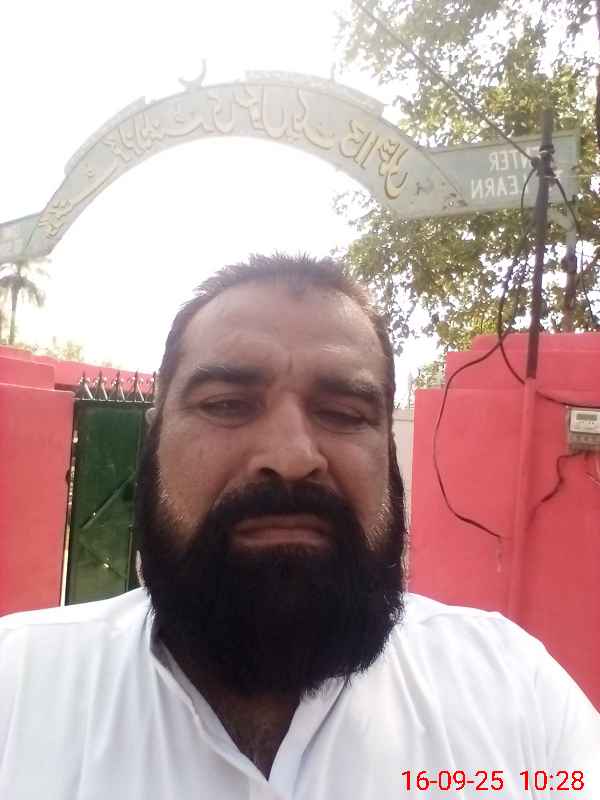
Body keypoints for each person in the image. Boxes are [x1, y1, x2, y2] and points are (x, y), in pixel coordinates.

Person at [1, 253, 598, 798]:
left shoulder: (515, 697)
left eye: (343, 413)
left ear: (389, 456)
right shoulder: (17, 688)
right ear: (155, 439)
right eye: (227, 404)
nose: (291, 457)